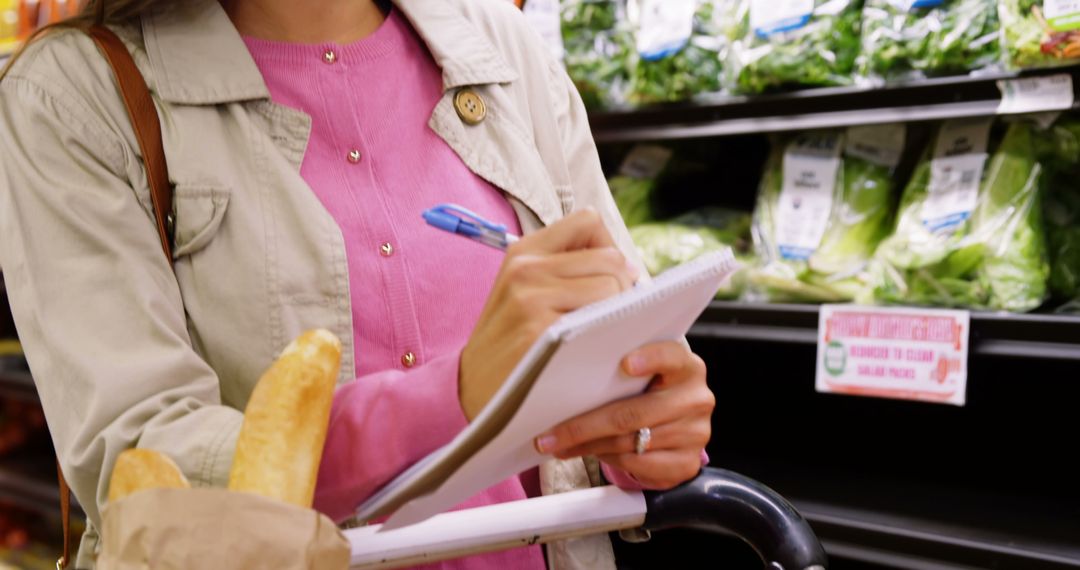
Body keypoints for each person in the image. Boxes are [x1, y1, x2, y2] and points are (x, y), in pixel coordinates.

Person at [0, 0, 715, 568]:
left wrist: (648, 422)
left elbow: (637, 346)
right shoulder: (74, 97)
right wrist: (455, 393)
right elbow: (141, 468)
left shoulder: (501, 42)